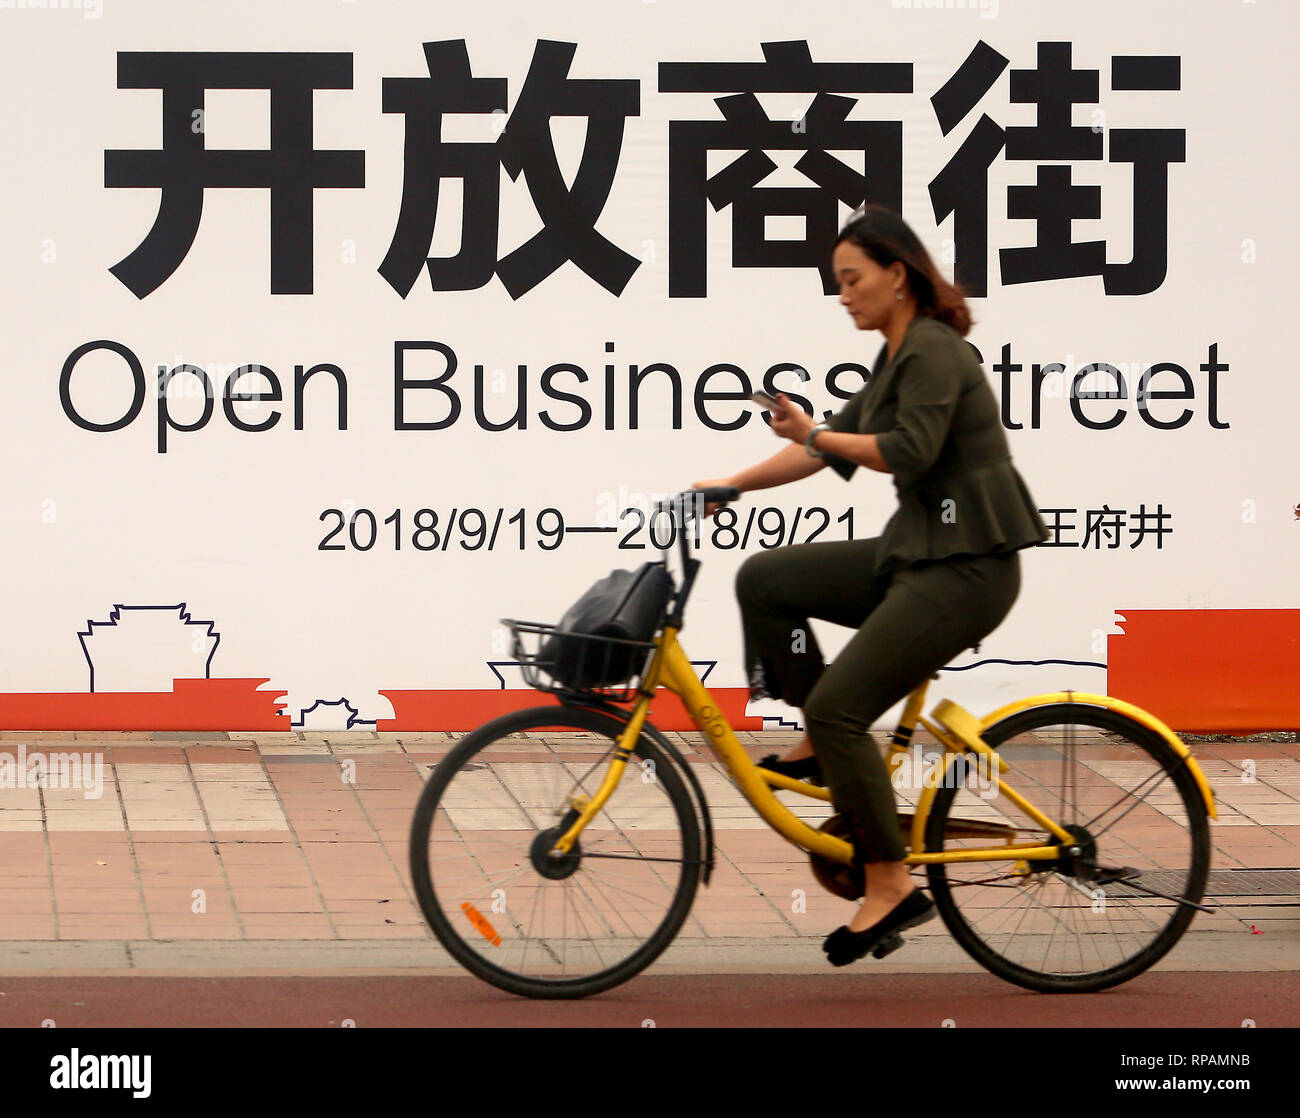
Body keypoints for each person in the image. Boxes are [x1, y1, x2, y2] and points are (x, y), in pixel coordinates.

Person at [693, 204, 1048, 967]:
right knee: (767, 579)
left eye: (853, 279)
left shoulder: (934, 351)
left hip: (968, 567)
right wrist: (732, 484)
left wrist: (818, 433)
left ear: (899, 273)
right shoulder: (897, 356)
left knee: (841, 708)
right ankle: (822, 746)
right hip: (918, 552)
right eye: (837, 283)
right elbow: (824, 451)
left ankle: (888, 882)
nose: (844, 295)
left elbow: (908, 451)